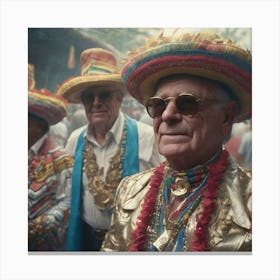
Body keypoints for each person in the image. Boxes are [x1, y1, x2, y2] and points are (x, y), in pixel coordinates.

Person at [101, 32, 252, 252]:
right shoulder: (129, 189)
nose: (167, 115)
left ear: (226, 117)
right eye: (158, 105)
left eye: (187, 103)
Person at [57, 48, 162, 251]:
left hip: (131, 244)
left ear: (119, 98)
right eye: (89, 97)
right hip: (85, 240)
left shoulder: (146, 136)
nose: (96, 103)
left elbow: (161, 195)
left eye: (104, 95)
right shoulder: (74, 140)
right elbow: (68, 192)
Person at [28, 64, 73, 251]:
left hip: (44, 244)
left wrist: (43, 223)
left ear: (39, 126)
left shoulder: (60, 158)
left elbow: (69, 200)